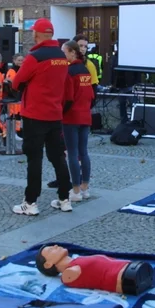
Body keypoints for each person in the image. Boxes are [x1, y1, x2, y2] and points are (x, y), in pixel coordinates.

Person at [10, 18, 73, 215]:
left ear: (36, 34)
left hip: (35, 114)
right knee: (57, 157)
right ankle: (65, 199)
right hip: (54, 114)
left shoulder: (35, 56)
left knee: (34, 159)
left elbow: (16, 82)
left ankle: (30, 203)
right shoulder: (62, 57)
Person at [61, 41, 95, 202]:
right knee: (84, 152)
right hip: (85, 115)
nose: (62, 56)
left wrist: (62, 113)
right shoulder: (85, 70)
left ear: (72, 53)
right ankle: (85, 188)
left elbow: (67, 97)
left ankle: (75, 191)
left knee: (73, 153)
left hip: (71, 116)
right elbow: (91, 95)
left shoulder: (69, 71)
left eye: (64, 52)